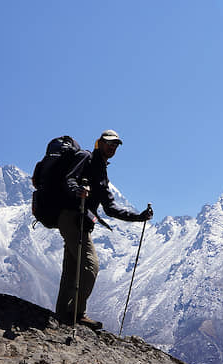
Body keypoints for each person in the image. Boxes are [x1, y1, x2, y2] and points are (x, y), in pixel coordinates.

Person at [55, 129, 153, 329]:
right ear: (99, 142)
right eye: (109, 143)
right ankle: (77, 313)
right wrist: (79, 191)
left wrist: (138, 217)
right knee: (91, 267)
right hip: (71, 216)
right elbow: (69, 179)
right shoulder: (85, 157)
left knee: (72, 268)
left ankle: (62, 315)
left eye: (116, 145)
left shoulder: (101, 170)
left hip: (79, 221)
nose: (112, 147)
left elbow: (110, 208)